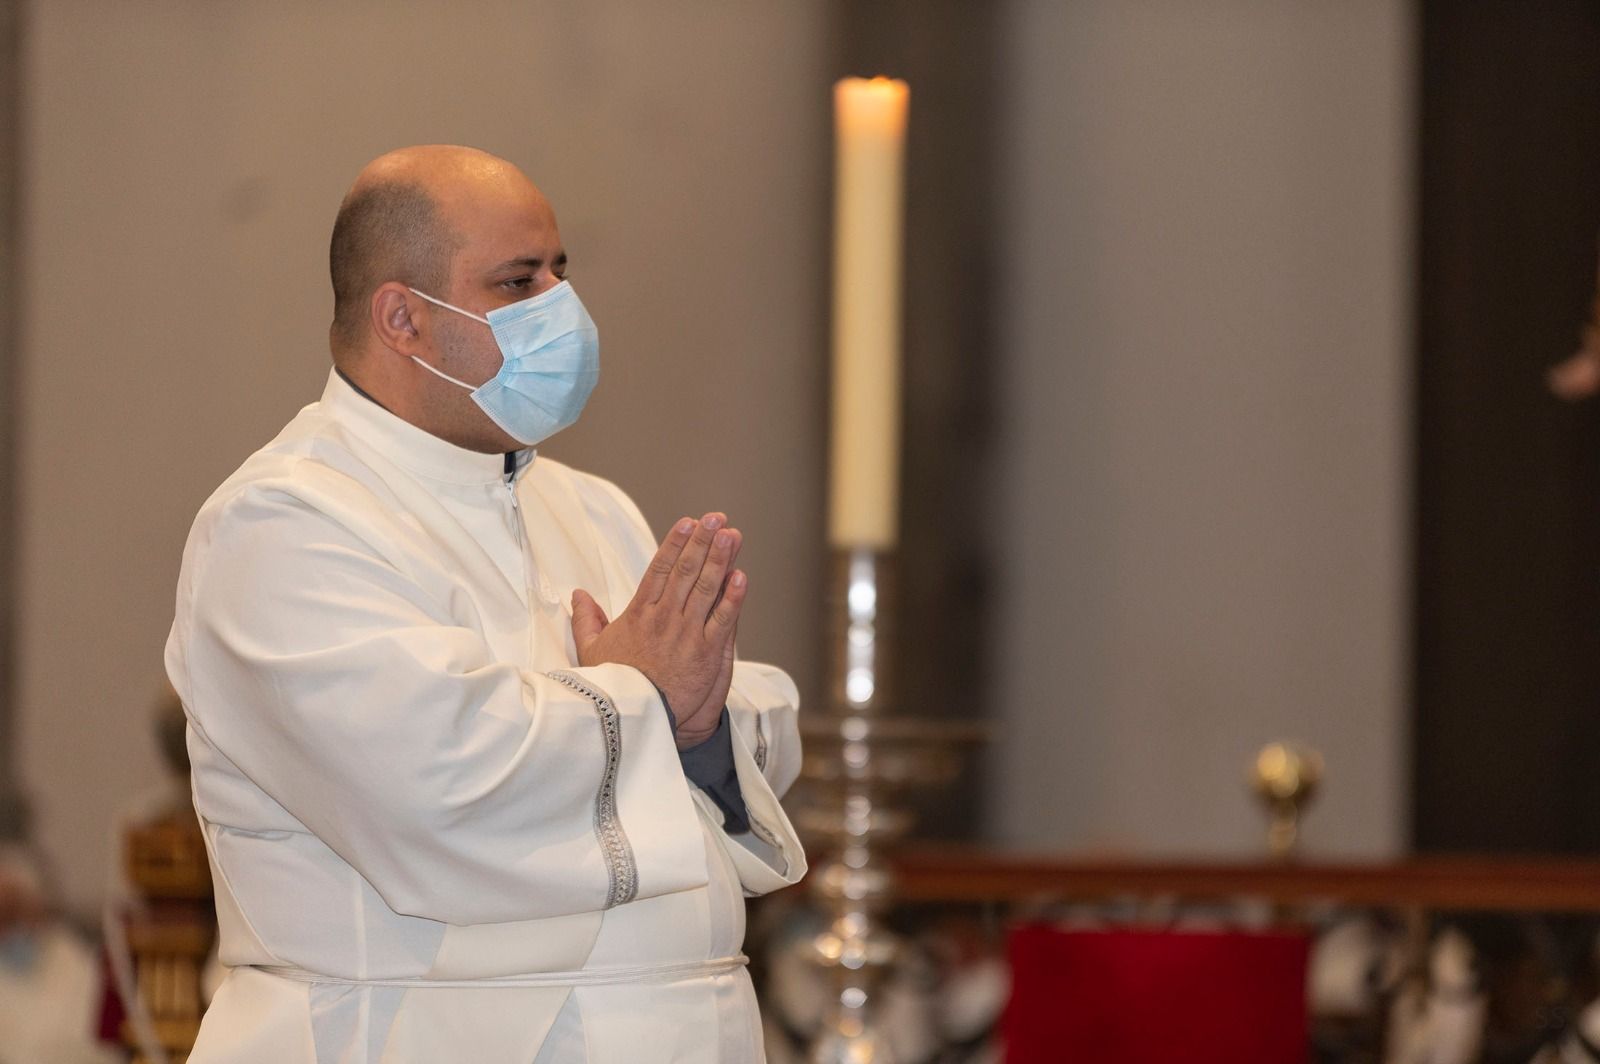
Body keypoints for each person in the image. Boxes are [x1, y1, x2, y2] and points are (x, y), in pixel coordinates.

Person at [164, 145, 806, 1062]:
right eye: (517, 282)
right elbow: (440, 782)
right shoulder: (283, 524)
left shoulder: (589, 508)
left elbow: (744, 716)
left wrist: (698, 729)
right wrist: (647, 697)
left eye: (560, 273)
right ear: (403, 318)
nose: (562, 310)